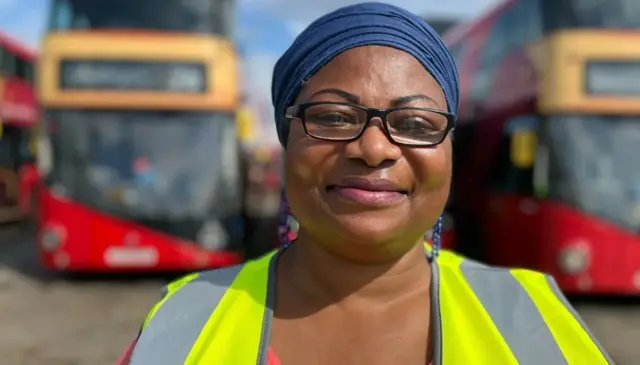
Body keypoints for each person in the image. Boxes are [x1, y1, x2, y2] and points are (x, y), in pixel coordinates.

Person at [118, 3, 613, 364]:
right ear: (286, 139)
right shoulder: (183, 321)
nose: (374, 148)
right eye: (333, 116)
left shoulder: (538, 319)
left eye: (416, 125)